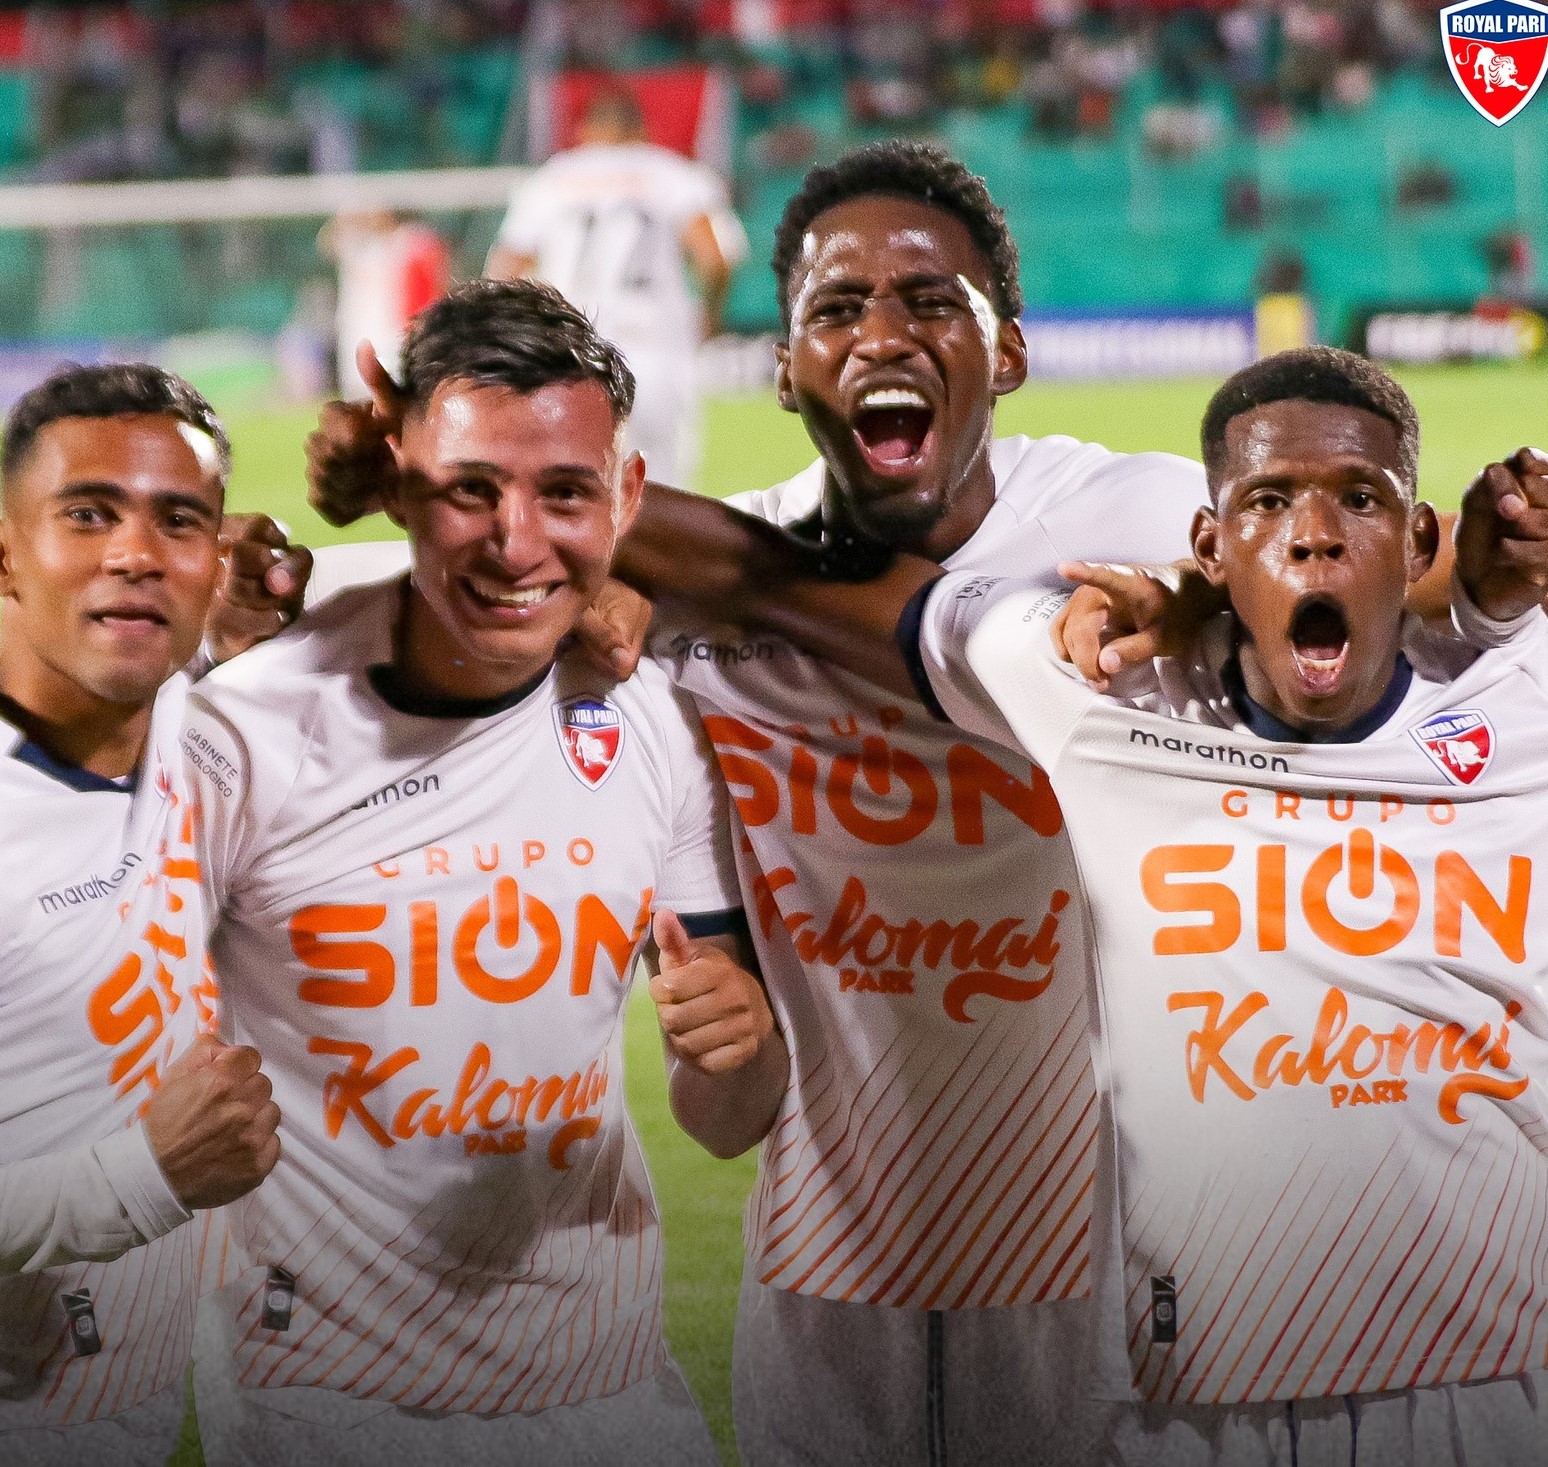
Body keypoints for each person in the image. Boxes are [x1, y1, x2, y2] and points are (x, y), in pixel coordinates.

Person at [304, 140, 1208, 1467]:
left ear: (1007, 351)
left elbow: (1371, 584)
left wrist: (1205, 603)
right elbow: (400, 610)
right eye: (837, 308)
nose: (881, 334)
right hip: (827, 1277)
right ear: (784, 368)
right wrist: (365, 511)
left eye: (931, 300)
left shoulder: (1135, 519)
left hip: (1105, 1269)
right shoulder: (679, 609)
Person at [615, 346, 1548, 1466]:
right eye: (1266, 503)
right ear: (1207, 547)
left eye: (1361, 499)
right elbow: (797, 587)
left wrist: (1498, 590)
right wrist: (567, 515)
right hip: (1202, 1404)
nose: (1313, 535)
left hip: (1494, 1385)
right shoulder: (1095, 691)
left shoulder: (1525, 704)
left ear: (1421, 540)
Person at [182, 278, 786, 1467]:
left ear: (627, 498)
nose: (516, 542)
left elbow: (729, 1120)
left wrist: (744, 1047)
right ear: (400, 483)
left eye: (564, 492)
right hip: (328, 1411)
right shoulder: (240, 731)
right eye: (470, 491)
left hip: (616, 1393)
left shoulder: (656, 721)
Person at [0, 364, 287, 1467]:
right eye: (88, 514)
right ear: (7, 553)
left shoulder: (166, 705)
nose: (135, 552)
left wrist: (617, 598)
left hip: (121, 1396)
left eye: (177, 520)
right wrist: (149, 1176)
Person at [487, 83, 746, 489]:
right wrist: (709, 316)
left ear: (586, 130)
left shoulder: (553, 178)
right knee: (663, 490)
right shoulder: (674, 175)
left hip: (569, 348)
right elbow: (715, 260)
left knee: (575, 485)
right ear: (641, 130)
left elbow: (503, 271)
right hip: (653, 346)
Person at [321, 210, 450, 401]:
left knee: (395, 382)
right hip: (360, 327)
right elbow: (328, 242)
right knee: (359, 385)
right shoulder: (362, 245)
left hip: (392, 327)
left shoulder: (405, 242)